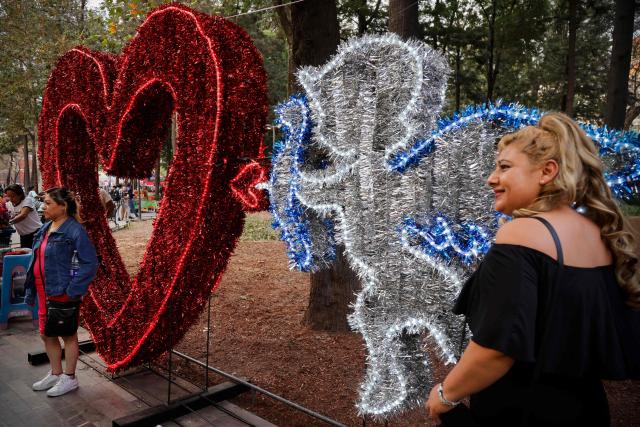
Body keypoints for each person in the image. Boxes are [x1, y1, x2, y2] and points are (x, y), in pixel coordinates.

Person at [426, 112, 640, 426]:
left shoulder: (521, 234)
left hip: (521, 411)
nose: (491, 178)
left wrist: (446, 395)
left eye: (504, 167)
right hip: (587, 411)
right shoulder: (598, 234)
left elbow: (497, 348)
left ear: (546, 171)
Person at [24, 187, 98, 397]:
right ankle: (56, 373)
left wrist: (73, 289)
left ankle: (69, 378)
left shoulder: (75, 230)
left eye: (48, 203)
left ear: (63, 206)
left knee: (68, 335)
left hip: (61, 291)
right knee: (46, 333)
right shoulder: (46, 226)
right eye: (43, 202)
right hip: (42, 291)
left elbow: (90, 263)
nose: (42, 206)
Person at [5, 183, 43, 248]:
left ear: (20, 195)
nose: (11, 199)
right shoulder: (8, 204)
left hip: (36, 233)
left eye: (13, 196)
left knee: (36, 254)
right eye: (9, 196)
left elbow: (23, 215)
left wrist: (9, 222)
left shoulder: (27, 200)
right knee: (26, 255)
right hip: (23, 235)